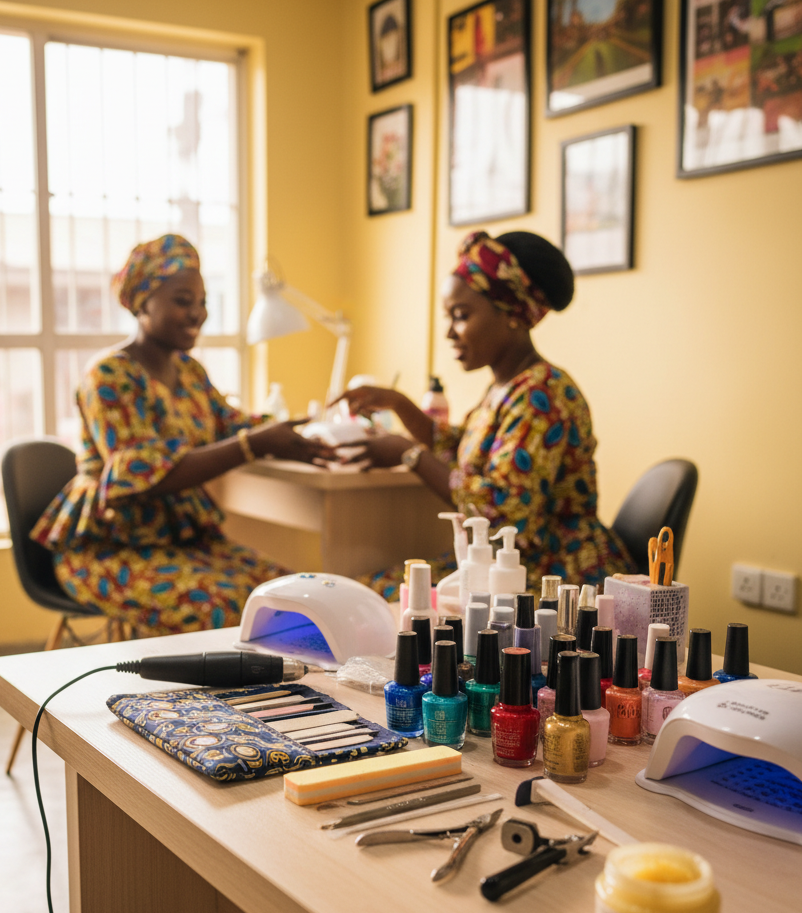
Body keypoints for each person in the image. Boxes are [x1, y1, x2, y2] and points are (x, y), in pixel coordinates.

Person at [32, 234, 336, 635]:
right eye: (182, 300)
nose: (197, 313)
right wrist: (254, 445)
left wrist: (304, 430)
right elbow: (138, 474)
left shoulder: (190, 372)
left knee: (291, 595)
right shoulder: (108, 376)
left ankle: (280, 694)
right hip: (109, 549)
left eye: (202, 301)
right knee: (221, 606)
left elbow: (230, 424)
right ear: (142, 302)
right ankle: (196, 700)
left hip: (182, 540)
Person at [335, 229, 633, 599]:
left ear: (512, 314)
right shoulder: (508, 387)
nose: (449, 333)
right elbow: (462, 448)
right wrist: (399, 404)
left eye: (460, 316)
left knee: (378, 597)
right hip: (504, 567)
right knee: (370, 592)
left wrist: (407, 453)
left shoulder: (542, 394)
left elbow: (500, 510)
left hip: (551, 581)